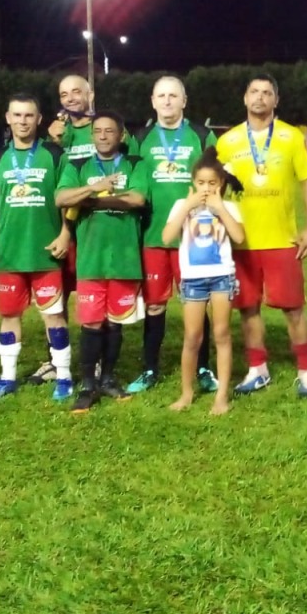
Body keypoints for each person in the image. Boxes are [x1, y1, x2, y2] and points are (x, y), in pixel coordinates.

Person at [215, 74, 307, 397]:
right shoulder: (227, 142)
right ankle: (257, 369)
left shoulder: (291, 137)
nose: (260, 98)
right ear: (245, 99)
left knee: (293, 308)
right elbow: (215, 189)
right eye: (254, 92)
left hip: (282, 240)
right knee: (247, 308)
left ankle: (306, 372)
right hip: (241, 241)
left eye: (267, 93)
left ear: (276, 100)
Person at [0, 94, 73, 400]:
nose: (22, 121)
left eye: (29, 116)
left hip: (46, 252)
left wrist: (65, 235)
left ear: (39, 119)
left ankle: (64, 376)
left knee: (54, 317)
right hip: (8, 254)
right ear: (8, 118)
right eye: (17, 115)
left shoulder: (55, 155)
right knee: (9, 316)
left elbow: (68, 201)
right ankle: (7, 378)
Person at [128, 75, 218, 394]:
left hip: (194, 238)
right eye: (161, 96)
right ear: (153, 101)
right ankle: (150, 368)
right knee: (155, 305)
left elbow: (214, 183)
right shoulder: (140, 138)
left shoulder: (201, 136)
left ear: (184, 100)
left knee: (197, 305)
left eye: (173, 96)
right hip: (154, 236)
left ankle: (205, 368)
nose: (167, 101)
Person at [54, 112, 149, 413]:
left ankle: (108, 378)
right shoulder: (78, 165)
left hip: (124, 257)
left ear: (121, 135)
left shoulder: (136, 164)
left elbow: (137, 200)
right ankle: (87, 384)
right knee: (91, 322)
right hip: (92, 259)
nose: (104, 136)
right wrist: (94, 188)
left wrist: (89, 201)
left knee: (115, 322)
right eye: (98, 131)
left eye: (110, 131)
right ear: (92, 135)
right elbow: (61, 198)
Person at [162, 149, 245, 415]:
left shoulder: (229, 207)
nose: (206, 188)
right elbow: (166, 237)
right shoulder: (182, 207)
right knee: (192, 337)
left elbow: (239, 237)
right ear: (193, 183)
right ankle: (186, 393)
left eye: (212, 183)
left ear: (221, 183)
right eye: (201, 183)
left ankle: (221, 396)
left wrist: (220, 208)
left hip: (222, 277)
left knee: (221, 334)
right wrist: (187, 205)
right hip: (193, 280)